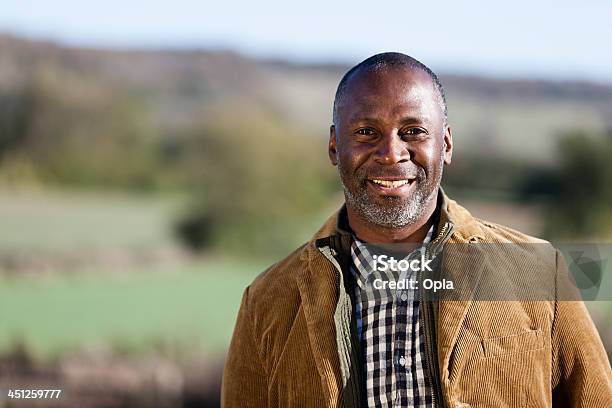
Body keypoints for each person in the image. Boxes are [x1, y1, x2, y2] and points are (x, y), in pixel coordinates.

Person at [221, 53, 611, 407]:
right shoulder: (267, 302)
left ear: (445, 144)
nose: (391, 152)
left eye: (413, 132)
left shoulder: (540, 273)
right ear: (335, 146)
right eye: (366, 133)